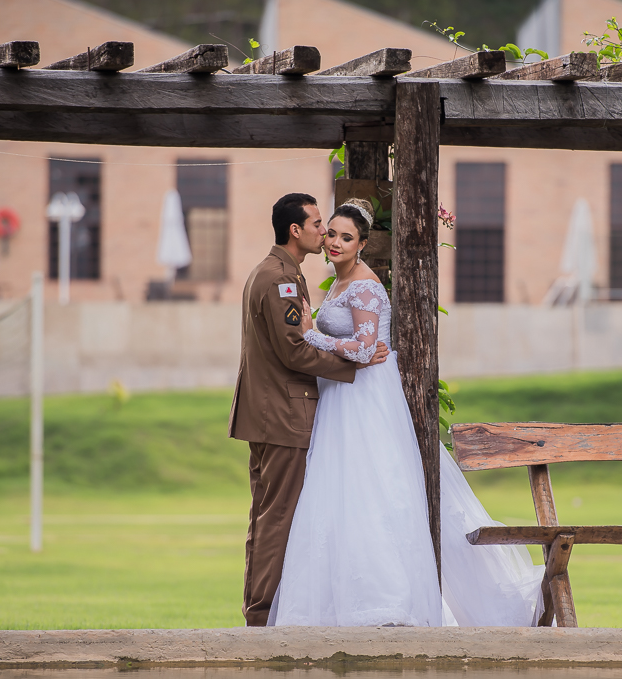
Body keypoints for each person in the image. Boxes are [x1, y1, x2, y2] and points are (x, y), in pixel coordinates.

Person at [268, 198, 545, 627]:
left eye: (347, 237)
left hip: (365, 400)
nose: (336, 242)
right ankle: (335, 604)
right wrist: (322, 336)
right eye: (332, 234)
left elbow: (364, 349)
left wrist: (311, 334)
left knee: (374, 489)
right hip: (340, 399)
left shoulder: (364, 285)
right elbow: (358, 346)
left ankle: (387, 602)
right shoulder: (337, 285)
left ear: (362, 244)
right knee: (339, 493)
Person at [229, 192, 388, 627]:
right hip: (283, 415)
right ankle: (261, 616)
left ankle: (261, 609)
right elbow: (294, 351)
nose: (326, 233)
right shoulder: (280, 279)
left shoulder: (281, 273)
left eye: (337, 230)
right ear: (295, 230)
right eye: (320, 225)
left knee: (268, 515)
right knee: (277, 517)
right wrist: (355, 365)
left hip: (270, 413)